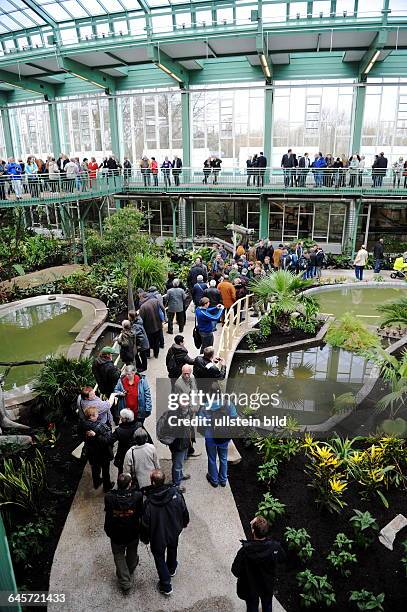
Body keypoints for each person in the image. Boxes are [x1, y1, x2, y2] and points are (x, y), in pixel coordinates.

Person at [140, 469, 189, 596]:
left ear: (152, 481)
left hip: (157, 536)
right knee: (173, 548)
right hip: (174, 531)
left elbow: (145, 524)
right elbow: (184, 510)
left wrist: (145, 538)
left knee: (159, 557)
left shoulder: (149, 503)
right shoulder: (176, 494)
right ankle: (171, 568)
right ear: (164, 479)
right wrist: (184, 523)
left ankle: (166, 585)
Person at [231, 515, 286, 612]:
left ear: (253, 531)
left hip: (250, 587)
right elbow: (282, 558)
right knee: (267, 604)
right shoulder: (275, 547)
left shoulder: (245, 551)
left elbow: (235, 571)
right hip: (267, 584)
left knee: (252, 606)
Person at [104, 473, 143, 592]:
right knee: (132, 552)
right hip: (132, 531)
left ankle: (125, 582)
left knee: (119, 555)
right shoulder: (137, 496)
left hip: (116, 533)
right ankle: (129, 569)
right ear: (130, 484)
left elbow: (108, 510)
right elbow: (140, 511)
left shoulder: (109, 497)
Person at [198, 397, 238, 488]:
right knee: (223, 458)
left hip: (210, 437)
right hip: (224, 437)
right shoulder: (229, 404)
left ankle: (214, 480)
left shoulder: (205, 406)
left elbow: (200, 422)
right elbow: (235, 419)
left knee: (212, 458)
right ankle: (223, 480)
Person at [78, 406, 114, 492]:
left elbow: (81, 435)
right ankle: (107, 486)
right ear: (92, 416)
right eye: (97, 413)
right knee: (105, 470)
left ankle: (96, 482)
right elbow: (108, 440)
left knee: (95, 468)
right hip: (103, 452)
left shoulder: (82, 424)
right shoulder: (101, 426)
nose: (98, 414)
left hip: (91, 452)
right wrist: (97, 435)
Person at [110, 409, 139, 474]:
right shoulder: (138, 425)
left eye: (121, 417)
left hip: (123, 454)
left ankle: (122, 483)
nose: (120, 417)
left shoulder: (119, 430)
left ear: (125, 419)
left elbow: (109, 440)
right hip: (136, 454)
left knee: (121, 472)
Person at [139, 291, 163, 358]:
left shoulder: (142, 307)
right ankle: (156, 354)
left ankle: (148, 355)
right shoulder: (155, 301)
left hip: (148, 329)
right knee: (156, 341)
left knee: (148, 342)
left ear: (142, 297)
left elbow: (141, 320)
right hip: (158, 325)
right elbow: (161, 310)